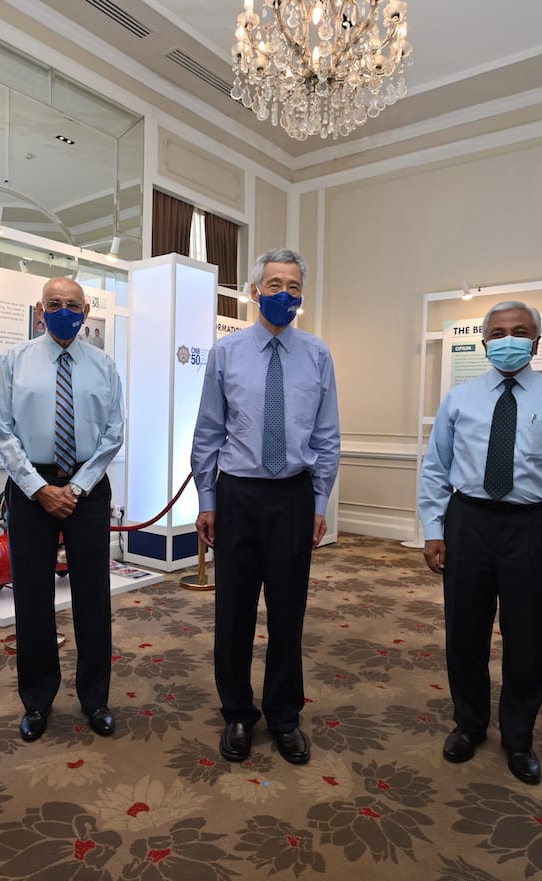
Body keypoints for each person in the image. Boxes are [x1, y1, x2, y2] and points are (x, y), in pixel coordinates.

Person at [416, 300, 542, 786]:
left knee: (527, 638)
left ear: (536, 342)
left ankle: (519, 737)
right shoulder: (459, 399)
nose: (508, 339)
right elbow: (435, 468)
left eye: (519, 331)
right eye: (498, 332)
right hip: (468, 522)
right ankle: (469, 724)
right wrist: (434, 529)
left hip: (533, 526)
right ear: (483, 342)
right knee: (465, 633)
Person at [191, 247, 341, 765]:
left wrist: (319, 501)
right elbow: (208, 431)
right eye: (274, 285)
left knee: (288, 611)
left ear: (302, 296)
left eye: (293, 287)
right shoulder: (225, 354)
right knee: (232, 610)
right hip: (238, 494)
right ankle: (237, 712)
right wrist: (207, 498)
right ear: (255, 292)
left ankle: (284, 716)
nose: (284, 294)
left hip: (294, 495)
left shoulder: (318, 354)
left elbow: (327, 437)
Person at [0, 277, 125, 742]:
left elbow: (113, 434)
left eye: (73, 304)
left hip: (88, 488)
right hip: (31, 490)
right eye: (55, 304)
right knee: (31, 599)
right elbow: (2, 433)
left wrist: (79, 487)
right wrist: (39, 487)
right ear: (39, 309)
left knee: (94, 597)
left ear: (85, 311)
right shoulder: (14, 361)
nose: (64, 311)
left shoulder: (104, 365)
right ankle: (37, 699)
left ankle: (95, 699)